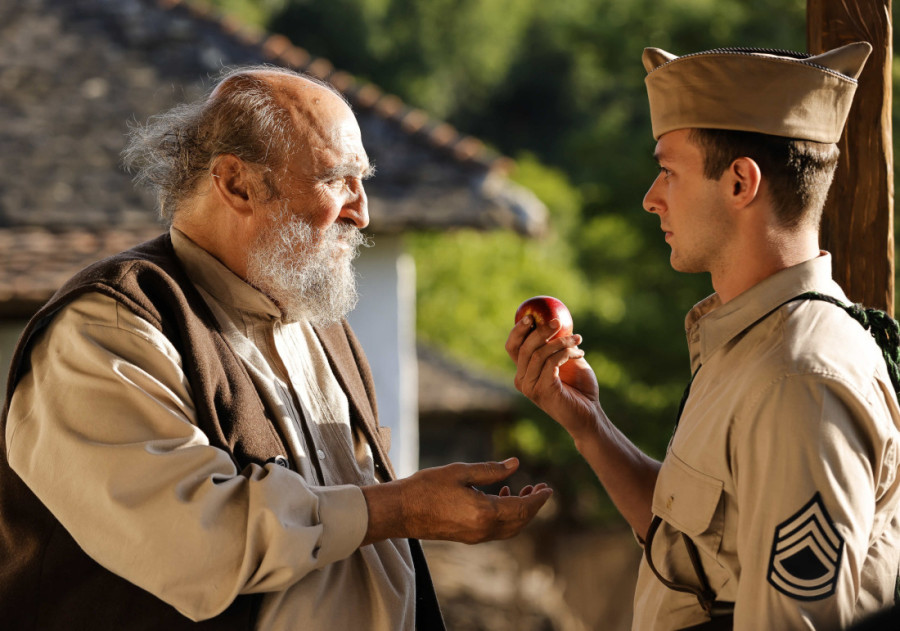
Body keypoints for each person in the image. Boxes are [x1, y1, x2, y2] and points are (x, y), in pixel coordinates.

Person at [0, 66, 552, 630]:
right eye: (337, 180)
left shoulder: (318, 324)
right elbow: (198, 544)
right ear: (236, 184)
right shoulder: (109, 327)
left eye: (362, 181)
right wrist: (403, 508)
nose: (362, 212)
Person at [506, 42, 900, 630]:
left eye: (669, 171)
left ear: (740, 182)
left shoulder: (797, 377)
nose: (651, 198)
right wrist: (589, 424)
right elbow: (696, 557)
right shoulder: (758, 344)